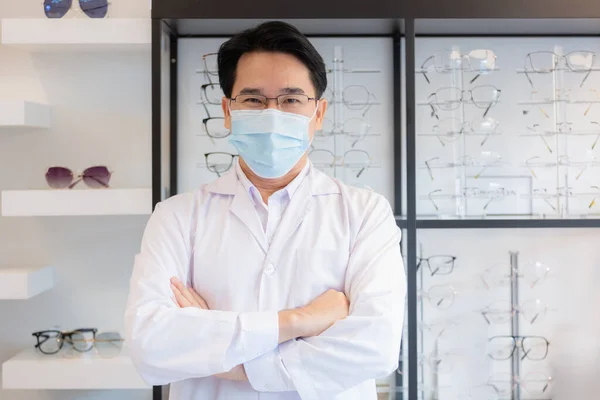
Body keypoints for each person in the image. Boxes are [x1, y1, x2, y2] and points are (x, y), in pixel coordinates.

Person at [124, 20, 406, 400]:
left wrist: (218, 349)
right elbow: (150, 346)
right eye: (254, 100)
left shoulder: (364, 213)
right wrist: (299, 322)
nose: (272, 114)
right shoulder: (177, 217)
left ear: (318, 113)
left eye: (291, 99)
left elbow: (375, 346)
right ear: (228, 110)